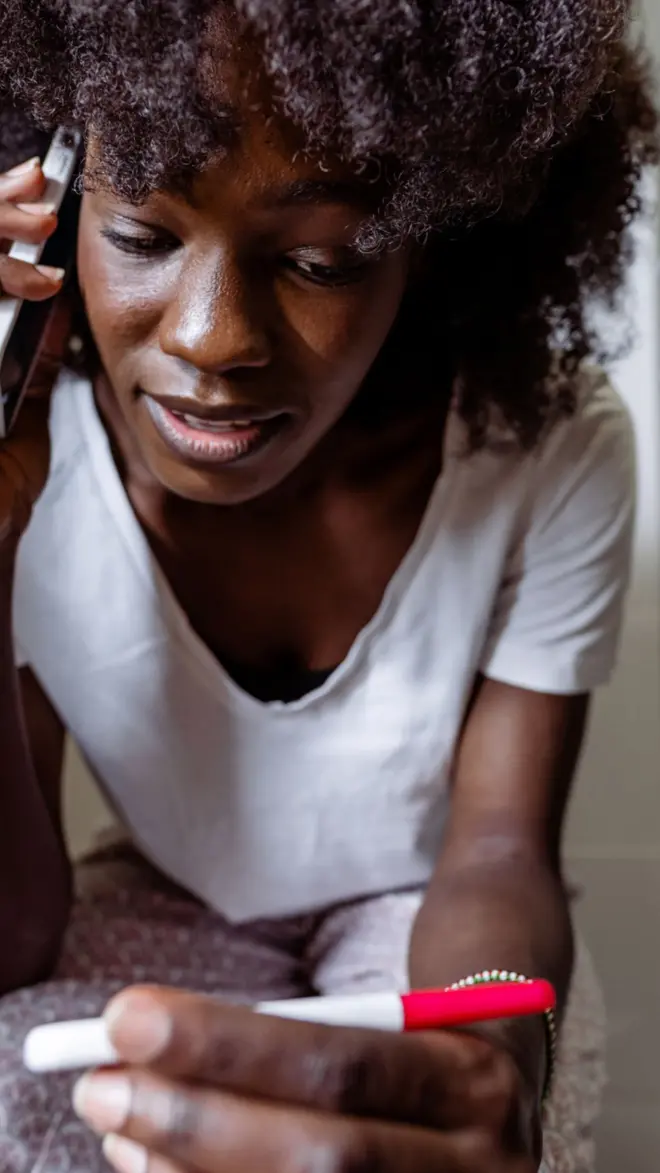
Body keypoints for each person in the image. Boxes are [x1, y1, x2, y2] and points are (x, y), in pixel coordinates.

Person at [0, 2, 655, 1171]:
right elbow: (16, 936)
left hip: (435, 920)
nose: (211, 342)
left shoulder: (548, 449)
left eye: (318, 262)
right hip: (160, 902)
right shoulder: (32, 460)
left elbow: (499, 854)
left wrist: (498, 1064)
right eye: (144, 237)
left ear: (433, 241)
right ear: (52, 220)